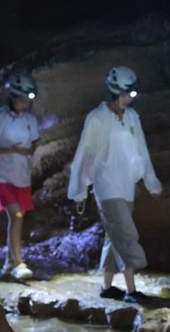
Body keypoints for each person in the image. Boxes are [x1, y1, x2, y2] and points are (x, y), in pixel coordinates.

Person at [67, 66, 163, 304]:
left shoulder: (132, 118)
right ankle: (131, 290)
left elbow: (142, 150)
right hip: (106, 187)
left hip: (126, 186)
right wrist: (78, 188)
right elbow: (84, 153)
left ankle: (107, 286)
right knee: (124, 232)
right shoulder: (97, 119)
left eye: (132, 95)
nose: (130, 99)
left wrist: (151, 181)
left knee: (114, 235)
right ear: (115, 92)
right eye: (126, 94)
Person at [0, 69, 40, 280]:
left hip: (21, 176)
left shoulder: (30, 120)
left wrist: (26, 151)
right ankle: (19, 262)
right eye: (22, 99)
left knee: (18, 218)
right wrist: (9, 150)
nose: (26, 104)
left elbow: (33, 143)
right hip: (1, 175)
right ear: (13, 97)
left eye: (28, 100)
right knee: (15, 215)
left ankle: (9, 262)